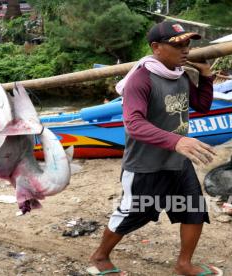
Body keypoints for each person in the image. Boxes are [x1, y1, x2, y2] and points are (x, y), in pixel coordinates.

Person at [87, 22, 223, 276]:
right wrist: (178, 141)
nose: (185, 50)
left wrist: (205, 75)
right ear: (156, 48)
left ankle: (184, 264)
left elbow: (202, 105)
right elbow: (135, 124)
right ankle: (100, 256)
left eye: (187, 44)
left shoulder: (180, 73)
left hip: (178, 162)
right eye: (177, 44)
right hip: (146, 164)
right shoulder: (140, 80)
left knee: (194, 209)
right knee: (133, 214)